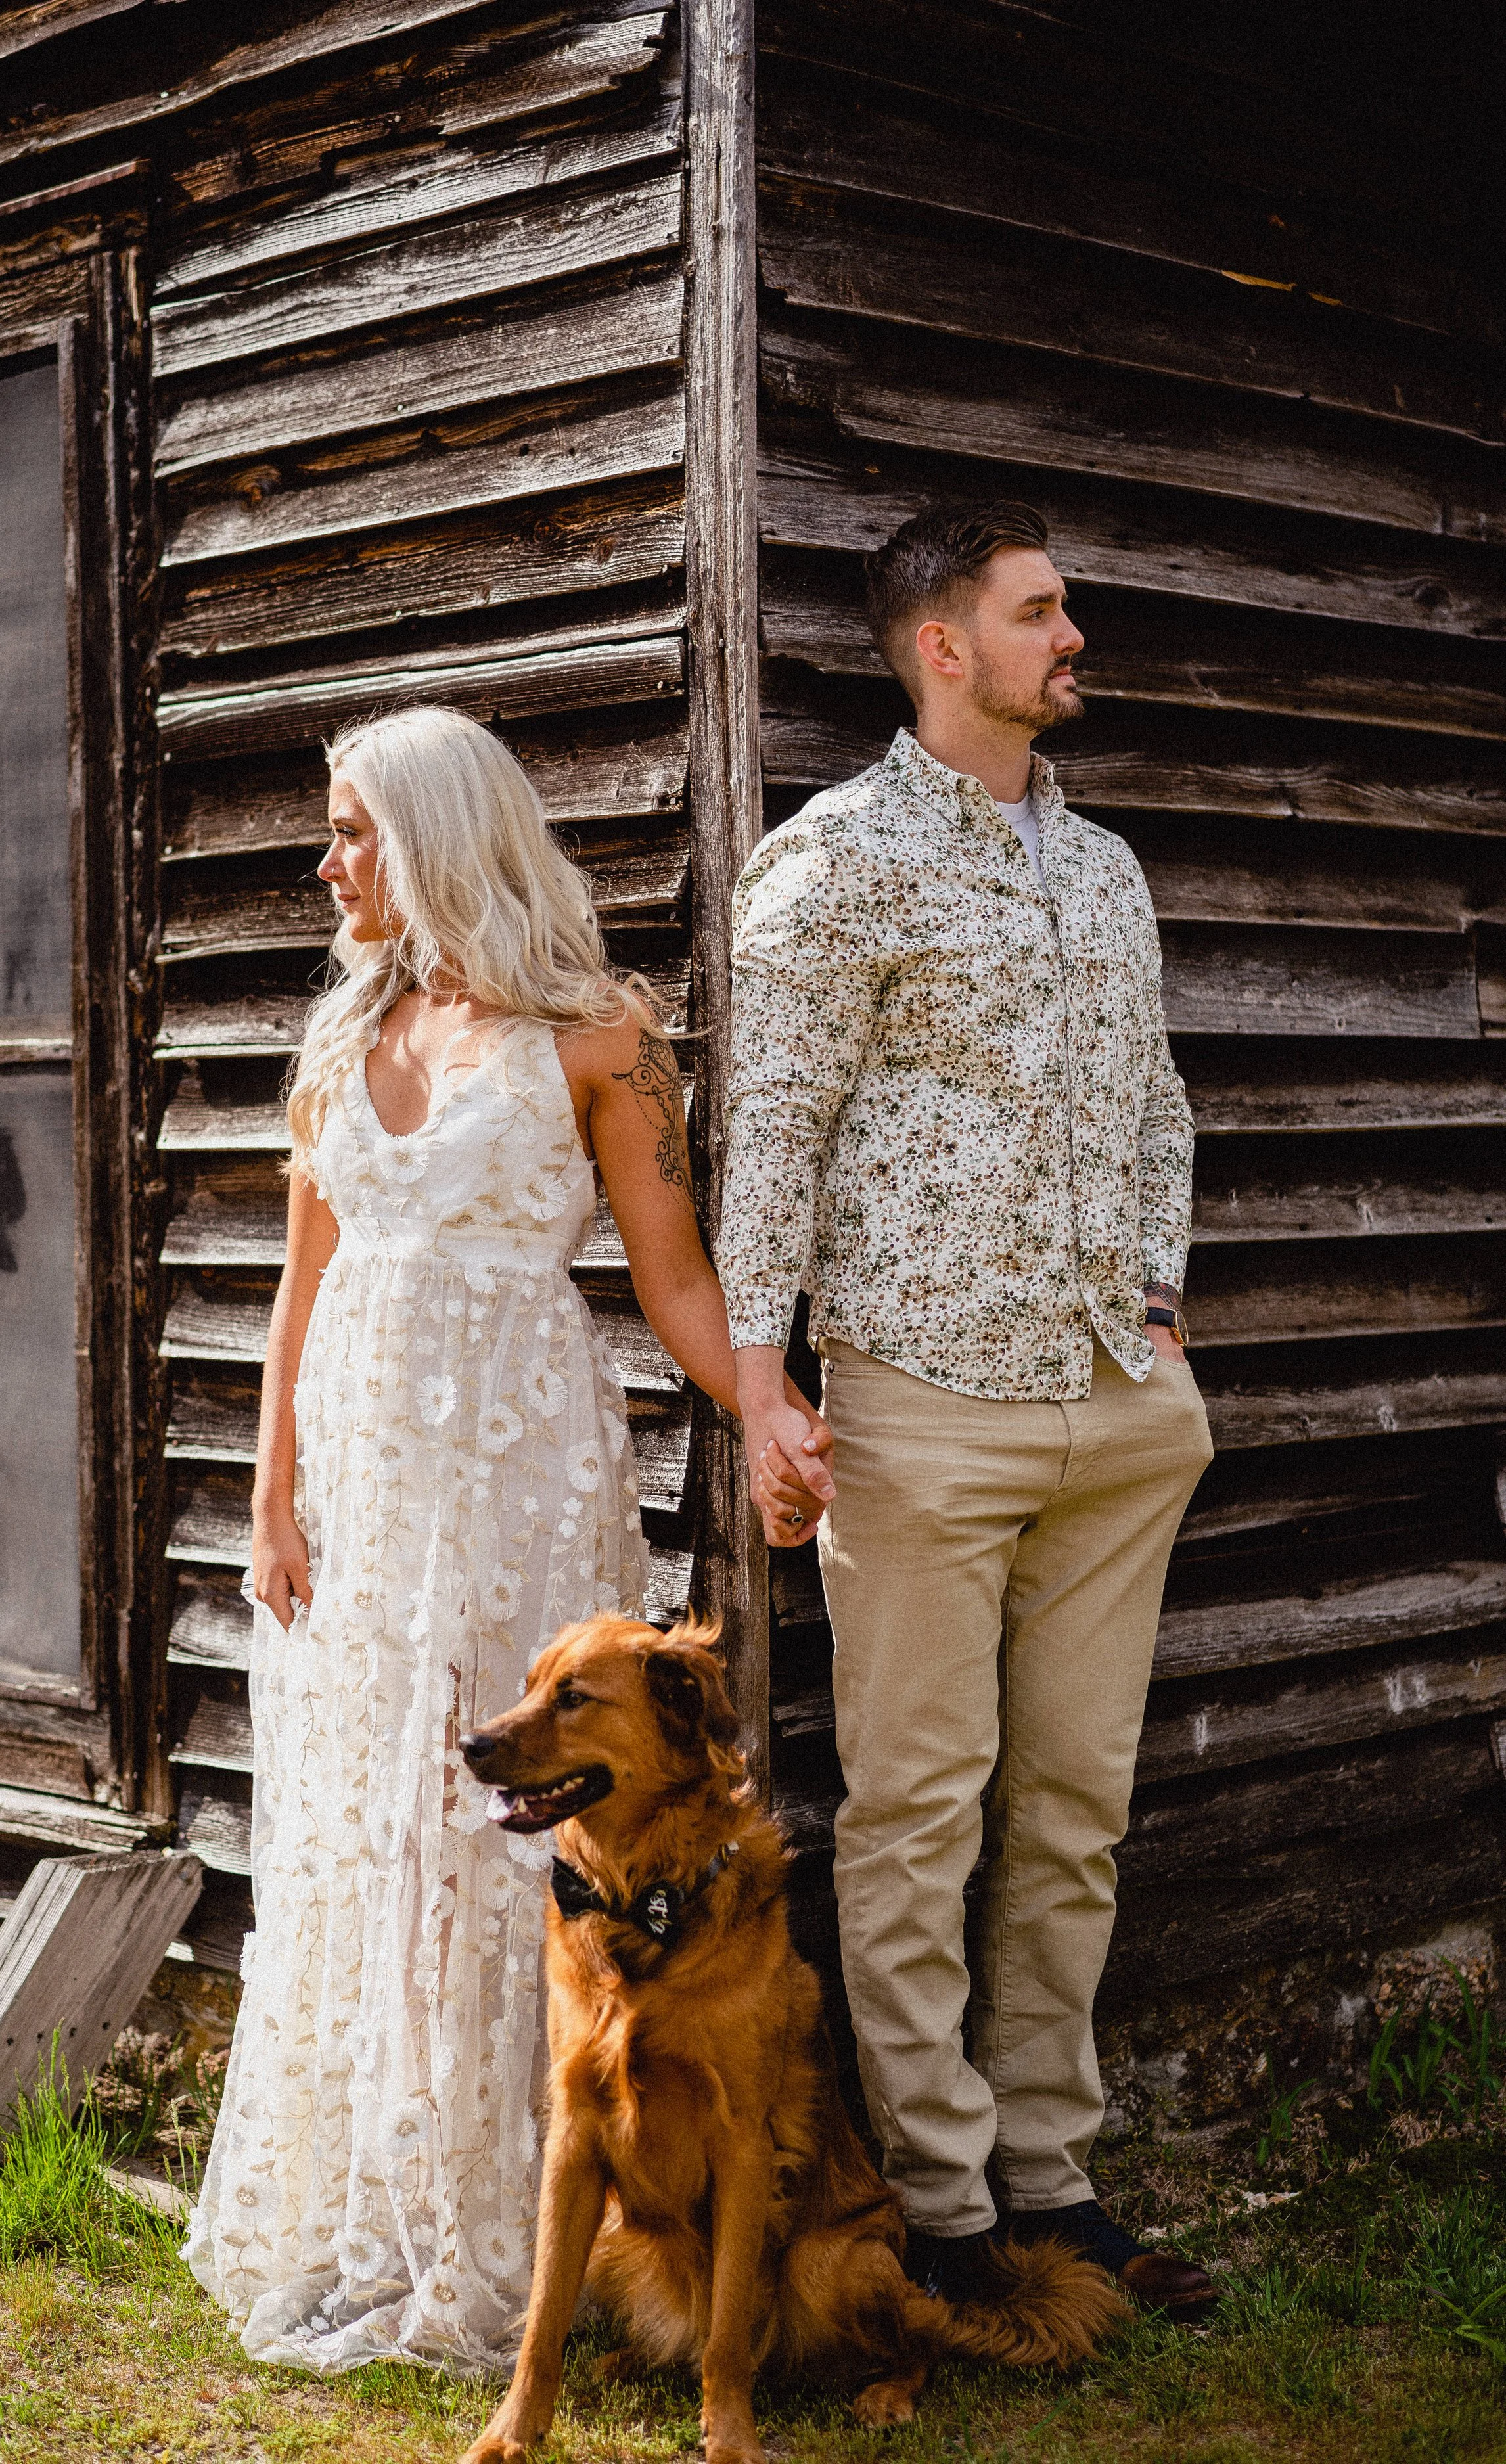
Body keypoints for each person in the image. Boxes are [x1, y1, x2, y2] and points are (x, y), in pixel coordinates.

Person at [184, 706, 833, 2375]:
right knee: (360, 1820)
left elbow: (673, 1272)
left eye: (348, 833)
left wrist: (763, 1407)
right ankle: (363, 2212)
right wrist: (270, 1490)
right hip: (358, 1484)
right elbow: (299, 1285)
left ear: (434, 837)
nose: (324, 865)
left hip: (514, 1472)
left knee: (500, 1829)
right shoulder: (341, 1038)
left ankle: (523, 2230)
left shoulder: (593, 1034)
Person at [726, 502, 1219, 2317]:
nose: (1068, 633)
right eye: (1038, 611)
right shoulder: (829, 863)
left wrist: (1160, 1310)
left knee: (1074, 1807)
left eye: (1062, 606)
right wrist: (765, 1387)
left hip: (1117, 1401)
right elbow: (767, 1138)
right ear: (945, 646)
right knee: (917, 1812)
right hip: (923, 1401)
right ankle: (939, 2199)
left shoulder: (1103, 869)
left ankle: (1051, 2175)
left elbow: (1157, 1105)